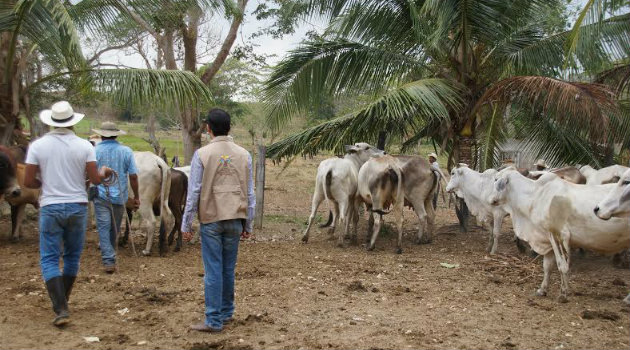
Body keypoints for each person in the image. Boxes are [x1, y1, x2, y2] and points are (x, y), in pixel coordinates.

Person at [24, 101, 112, 326]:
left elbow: (28, 181)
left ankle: (60, 306)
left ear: (51, 122)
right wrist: (103, 172)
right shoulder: (85, 146)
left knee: (49, 257)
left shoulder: (38, 146)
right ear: (72, 121)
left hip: (50, 206)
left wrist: (45, 181)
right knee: (72, 256)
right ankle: (63, 301)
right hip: (77, 206)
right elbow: (93, 179)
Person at [181, 108, 255, 333]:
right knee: (227, 269)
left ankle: (213, 320)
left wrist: (186, 224)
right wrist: (248, 223)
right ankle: (226, 311)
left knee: (213, 269)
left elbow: (193, 191)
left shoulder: (202, 154)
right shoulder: (244, 154)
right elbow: (250, 193)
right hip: (235, 218)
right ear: (229, 127)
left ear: (208, 128)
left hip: (211, 220)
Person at [91, 122, 139, 273]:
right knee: (115, 227)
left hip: (100, 195)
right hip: (120, 195)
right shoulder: (126, 151)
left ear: (101, 135)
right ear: (116, 134)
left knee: (103, 227)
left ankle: (108, 259)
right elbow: (133, 176)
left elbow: (89, 174)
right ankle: (109, 257)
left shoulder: (94, 151)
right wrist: (136, 196)